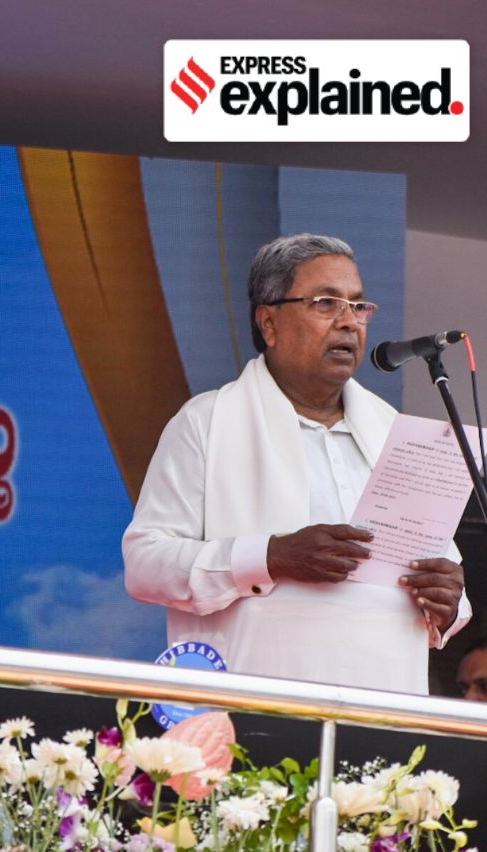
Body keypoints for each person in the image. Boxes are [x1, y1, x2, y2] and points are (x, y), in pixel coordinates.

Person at [123, 233, 471, 693]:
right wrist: (270, 556)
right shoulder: (207, 422)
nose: (350, 323)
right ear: (268, 323)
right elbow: (146, 564)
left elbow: (446, 586)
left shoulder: (400, 435)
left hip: (387, 718)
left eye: (359, 306)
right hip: (253, 717)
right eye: (327, 304)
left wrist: (451, 601)